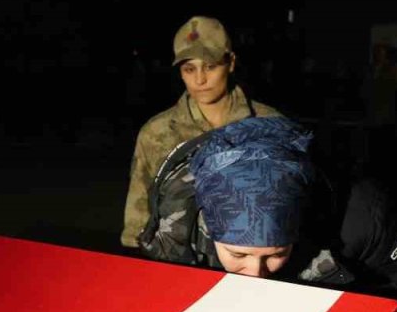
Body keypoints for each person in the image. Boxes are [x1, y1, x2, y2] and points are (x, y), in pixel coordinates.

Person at [139, 116, 397, 298]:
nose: (255, 273)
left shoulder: (361, 219)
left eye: (276, 254)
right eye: (238, 254)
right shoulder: (177, 218)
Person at [120, 16, 283, 249]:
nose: (200, 79)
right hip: (176, 261)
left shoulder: (269, 125)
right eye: (189, 69)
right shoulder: (156, 133)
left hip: (251, 261)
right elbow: (137, 222)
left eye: (210, 66)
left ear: (231, 63)